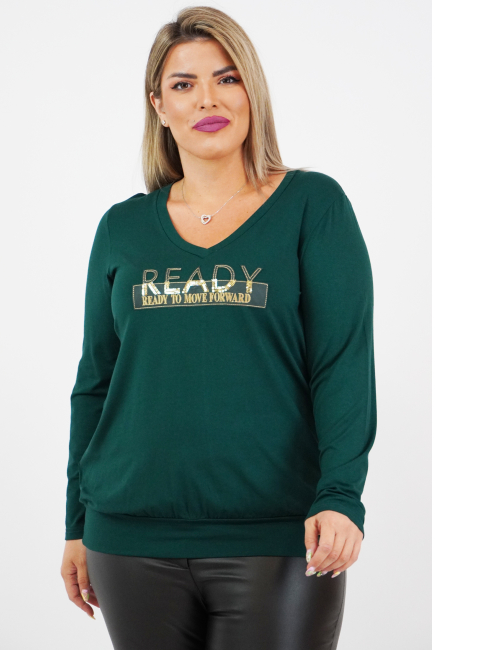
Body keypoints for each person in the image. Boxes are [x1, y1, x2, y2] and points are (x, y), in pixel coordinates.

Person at [60, 6, 376, 649]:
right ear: (159, 105)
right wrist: (76, 522)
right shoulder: (122, 227)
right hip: (127, 538)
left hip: (277, 536)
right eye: (184, 84)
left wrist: (341, 495)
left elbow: (342, 363)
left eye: (227, 78)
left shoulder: (312, 205)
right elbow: (96, 382)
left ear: (251, 91)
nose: (207, 98)